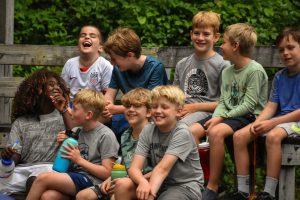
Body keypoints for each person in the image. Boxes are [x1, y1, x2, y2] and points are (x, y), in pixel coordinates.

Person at [190, 23, 268, 200]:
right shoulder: (228, 71)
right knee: (193, 130)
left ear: (235, 46)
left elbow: (249, 105)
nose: (221, 47)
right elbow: (224, 101)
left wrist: (220, 118)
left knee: (216, 132)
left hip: (248, 116)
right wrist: (217, 116)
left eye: (224, 42)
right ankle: (197, 181)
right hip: (228, 114)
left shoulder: (255, 71)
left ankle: (213, 185)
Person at [226, 27, 300, 200]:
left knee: (273, 136)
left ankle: (268, 192)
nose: (286, 53)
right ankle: (243, 191)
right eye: (281, 50)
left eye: (291, 47)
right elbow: (270, 107)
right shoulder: (280, 77)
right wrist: (257, 123)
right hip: (281, 122)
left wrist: (272, 123)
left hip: (296, 124)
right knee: (239, 136)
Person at [26, 89, 119, 200]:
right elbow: (69, 163)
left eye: (75, 109)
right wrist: (65, 147)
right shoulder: (77, 131)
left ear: (88, 115)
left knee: (43, 178)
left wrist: (79, 160)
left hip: (93, 181)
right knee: (48, 196)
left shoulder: (106, 135)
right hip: (75, 176)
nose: (71, 112)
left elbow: (107, 173)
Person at [115, 85, 204, 200]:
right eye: (154, 106)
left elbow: (162, 169)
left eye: (164, 107)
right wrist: (142, 182)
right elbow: (134, 168)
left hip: (184, 186)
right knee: (123, 185)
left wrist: (149, 195)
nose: (158, 111)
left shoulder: (182, 132)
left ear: (179, 112)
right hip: (159, 182)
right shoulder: (148, 130)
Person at [0, 69, 70, 195]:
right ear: (38, 90)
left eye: (58, 85)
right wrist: (9, 157)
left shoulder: (65, 116)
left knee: (34, 180)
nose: (57, 88)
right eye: (51, 84)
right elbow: (16, 155)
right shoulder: (21, 122)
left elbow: (75, 134)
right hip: (24, 169)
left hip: (51, 168)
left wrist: (64, 110)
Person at [76, 88, 153, 200]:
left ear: (149, 112)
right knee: (83, 196)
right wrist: (111, 179)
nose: (130, 110)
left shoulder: (154, 134)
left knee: (116, 194)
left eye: (136, 106)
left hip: (146, 182)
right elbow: (123, 164)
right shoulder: (126, 134)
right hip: (124, 179)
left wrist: (128, 180)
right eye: (127, 106)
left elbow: (160, 168)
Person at [173, 11, 230, 143]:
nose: (200, 38)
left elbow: (225, 103)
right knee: (155, 125)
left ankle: (197, 164)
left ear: (216, 37)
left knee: (182, 129)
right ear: (191, 34)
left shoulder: (223, 65)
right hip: (183, 110)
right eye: (197, 33)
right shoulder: (182, 64)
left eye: (206, 34)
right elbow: (174, 96)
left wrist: (193, 108)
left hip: (207, 113)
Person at [101, 27, 168, 122]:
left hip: (150, 118)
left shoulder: (155, 68)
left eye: (114, 59)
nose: (112, 63)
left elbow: (149, 105)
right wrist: (106, 107)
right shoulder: (118, 69)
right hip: (129, 114)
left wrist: (116, 109)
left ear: (130, 55)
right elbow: (109, 96)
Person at [61, 24, 113, 102]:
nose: (87, 37)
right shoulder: (70, 63)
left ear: (100, 48)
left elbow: (106, 95)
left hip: (95, 107)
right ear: (78, 45)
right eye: (83, 35)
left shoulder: (105, 66)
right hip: (73, 105)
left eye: (92, 36)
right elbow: (64, 90)